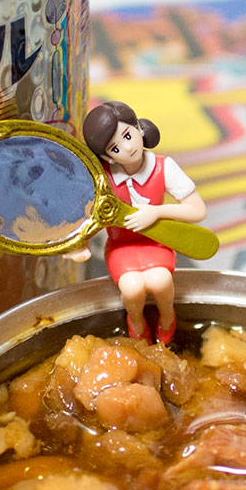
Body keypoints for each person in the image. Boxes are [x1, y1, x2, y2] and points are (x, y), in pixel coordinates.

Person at [76, 101, 207, 343]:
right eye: (115, 148)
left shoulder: (163, 167)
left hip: (157, 242)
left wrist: (156, 212)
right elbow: (90, 215)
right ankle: (136, 321)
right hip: (121, 247)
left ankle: (167, 317)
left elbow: (198, 211)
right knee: (132, 287)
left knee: (161, 280)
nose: (128, 148)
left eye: (128, 135)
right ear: (107, 156)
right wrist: (80, 243)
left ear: (138, 127)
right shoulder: (102, 177)